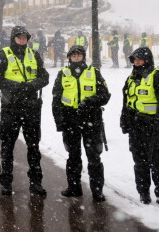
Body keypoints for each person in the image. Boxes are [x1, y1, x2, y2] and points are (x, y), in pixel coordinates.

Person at [0, 26, 50, 196]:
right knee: (8, 145)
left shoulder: (34, 54)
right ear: (13, 38)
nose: (22, 40)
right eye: (19, 38)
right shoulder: (4, 54)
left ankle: (36, 182)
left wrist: (32, 85)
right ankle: (6, 182)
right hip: (11, 107)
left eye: (25, 38)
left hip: (31, 107)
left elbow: (44, 76)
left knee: (34, 146)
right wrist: (15, 87)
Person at [52, 45, 110, 202]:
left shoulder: (94, 72)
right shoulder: (63, 74)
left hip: (91, 120)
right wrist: (60, 122)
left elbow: (105, 95)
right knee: (73, 156)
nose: (76, 58)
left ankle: (97, 191)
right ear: (69, 57)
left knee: (94, 157)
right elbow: (56, 100)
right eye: (73, 55)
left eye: (79, 55)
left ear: (84, 56)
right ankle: (74, 187)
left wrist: (90, 102)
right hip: (70, 121)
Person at [120, 47, 159, 207]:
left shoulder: (158, 77)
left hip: (153, 128)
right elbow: (126, 102)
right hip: (135, 127)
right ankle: (143, 193)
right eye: (134, 59)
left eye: (139, 59)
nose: (136, 62)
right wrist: (124, 121)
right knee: (139, 162)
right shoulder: (131, 78)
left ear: (147, 60)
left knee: (156, 162)